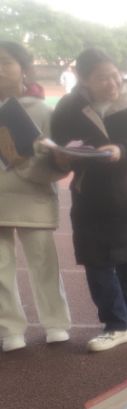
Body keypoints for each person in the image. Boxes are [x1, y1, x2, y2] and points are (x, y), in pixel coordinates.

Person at [50, 48, 127, 352]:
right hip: (91, 193)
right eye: (101, 78)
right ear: (83, 80)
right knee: (96, 258)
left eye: (114, 75)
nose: (112, 83)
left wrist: (122, 150)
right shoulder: (69, 106)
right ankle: (115, 324)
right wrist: (61, 156)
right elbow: (60, 145)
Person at [0, 41, 72, 353]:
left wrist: (28, 162)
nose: (0, 70)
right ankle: (10, 328)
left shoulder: (42, 111)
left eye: (5, 62)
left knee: (44, 264)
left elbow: (58, 162)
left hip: (34, 198)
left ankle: (55, 323)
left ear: (24, 69)